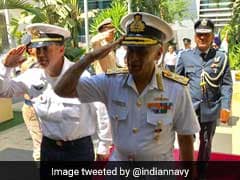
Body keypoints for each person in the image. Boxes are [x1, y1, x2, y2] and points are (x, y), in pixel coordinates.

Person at [55, 12, 200, 162]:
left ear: (158, 53)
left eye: (141, 51)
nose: (133, 58)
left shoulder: (175, 89)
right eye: (130, 50)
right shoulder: (111, 82)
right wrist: (90, 58)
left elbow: (185, 138)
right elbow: (62, 89)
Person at [0, 23, 111, 162]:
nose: (41, 55)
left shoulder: (81, 77)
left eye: (46, 49)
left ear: (61, 49)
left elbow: (102, 111)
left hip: (78, 151)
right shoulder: (33, 76)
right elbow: (4, 91)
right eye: (38, 50)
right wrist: (6, 68)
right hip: (48, 148)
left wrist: (104, 146)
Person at [176, 19, 232, 177]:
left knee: (206, 143)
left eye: (206, 35)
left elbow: (227, 84)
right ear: (194, 36)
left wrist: (226, 106)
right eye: (199, 35)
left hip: (211, 108)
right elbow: (177, 83)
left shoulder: (221, 58)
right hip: (189, 109)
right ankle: (186, 170)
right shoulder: (185, 57)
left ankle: (201, 172)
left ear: (212, 36)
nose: (202, 38)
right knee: (186, 141)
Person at [19, 34, 42, 161]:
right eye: (36, 45)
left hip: (43, 107)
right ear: (29, 49)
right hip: (32, 108)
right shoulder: (29, 64)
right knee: (39, 145)